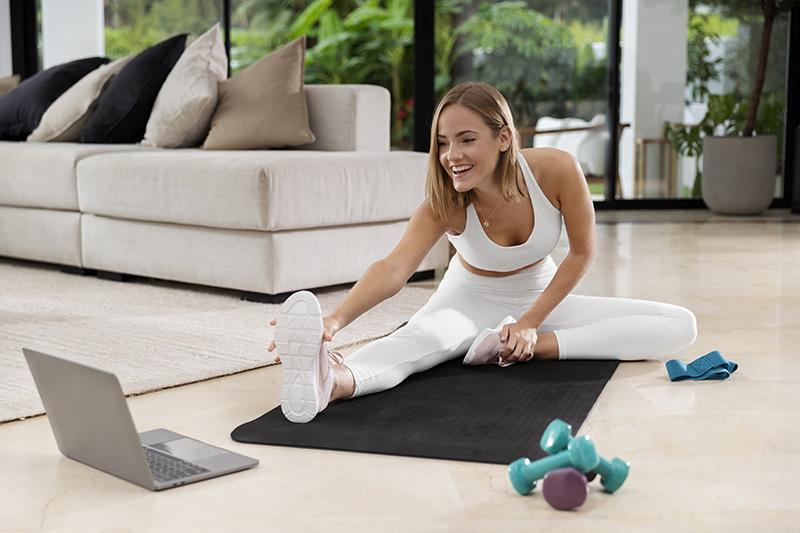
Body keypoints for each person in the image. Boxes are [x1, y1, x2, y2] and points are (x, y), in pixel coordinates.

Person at [268, 81, 697, 423]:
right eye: (442, 142)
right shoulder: (444, 203)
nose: (451, 156)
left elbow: (582, 253)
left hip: (540, 297)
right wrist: (333, 320)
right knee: (416, 344)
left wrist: (530, 326)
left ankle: (517, 346)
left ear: (504, 137)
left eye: (467, 140)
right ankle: (330, 379)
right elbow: (394, 267)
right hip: (469, 298)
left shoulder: (557, 170)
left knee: (679, 325)